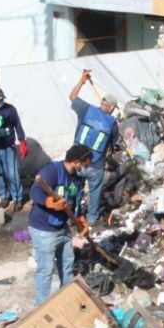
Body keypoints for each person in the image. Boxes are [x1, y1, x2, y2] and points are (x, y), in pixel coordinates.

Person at [28, 144, 92, 305]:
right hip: (43, 228)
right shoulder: (52, 171)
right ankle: (41, 306)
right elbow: (35, 191)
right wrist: (49, 202)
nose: (86, 167)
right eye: (85, 164)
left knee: (68, 262)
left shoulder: (78, 179)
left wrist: (81, 219)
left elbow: (75, 202)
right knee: (46, 268)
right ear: (76, 161)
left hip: (62, 227)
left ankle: (67, 299)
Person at [67, 69, 119, 223]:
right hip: (95, 163)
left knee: (74, 187)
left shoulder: (86, 109)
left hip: (76, 161)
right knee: (95, 191)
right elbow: (113, 144)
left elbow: (72, 97)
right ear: (112, 108)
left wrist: (81, 81)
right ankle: (92, 219)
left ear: (101, 103)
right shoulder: (113, 123)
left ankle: (73, 214)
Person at [0, 87, 28, 212]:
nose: (0, 102)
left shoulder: (10, 109)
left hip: (8, 146)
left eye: (1, 99)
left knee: (12, 173)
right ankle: (3, 196)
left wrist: (22, 141)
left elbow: (17, 125)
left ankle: (18, 198)